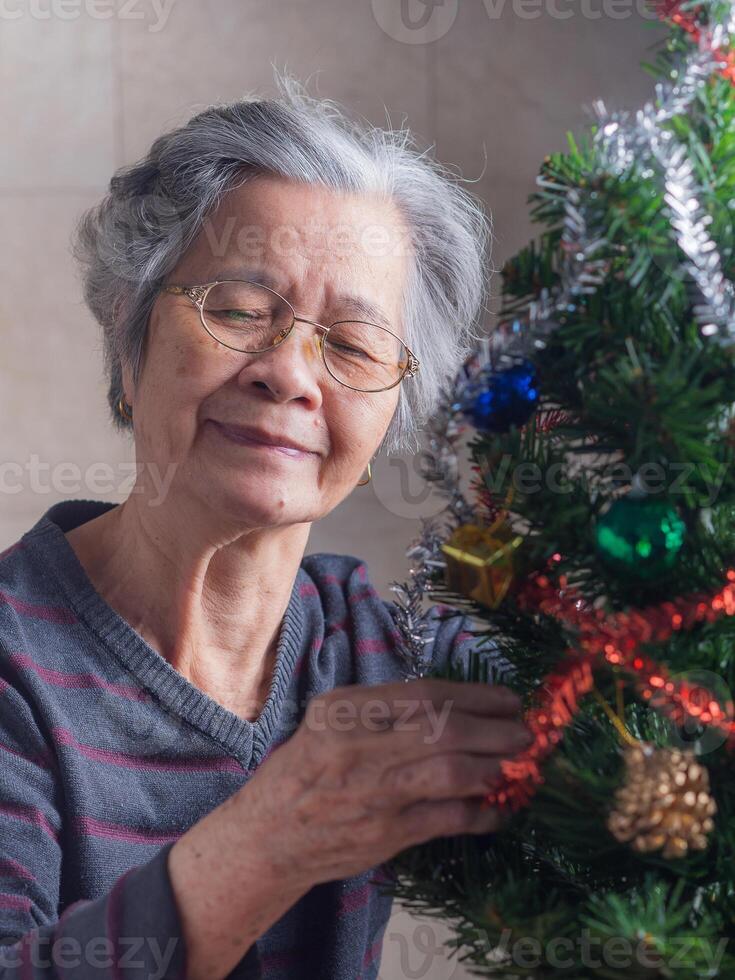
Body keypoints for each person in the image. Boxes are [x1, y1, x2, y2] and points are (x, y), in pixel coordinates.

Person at [0, 71, 531, 980]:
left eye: (354, 346)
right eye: (240, 311)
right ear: (128, 338)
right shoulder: (16, 661)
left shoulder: (383, 651)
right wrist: (271, 836)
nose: (289, 373)